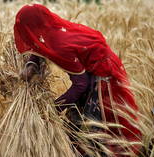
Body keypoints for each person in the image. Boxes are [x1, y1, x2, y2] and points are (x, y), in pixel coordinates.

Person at [14, 4, 142, 156]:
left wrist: (54, 108)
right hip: (93, 72)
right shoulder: (50, 29)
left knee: (95, 128)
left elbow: (81, 85)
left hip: (105, 75)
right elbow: (40, 45)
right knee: (76, 121)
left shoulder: (60, 44)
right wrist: (31, 64)